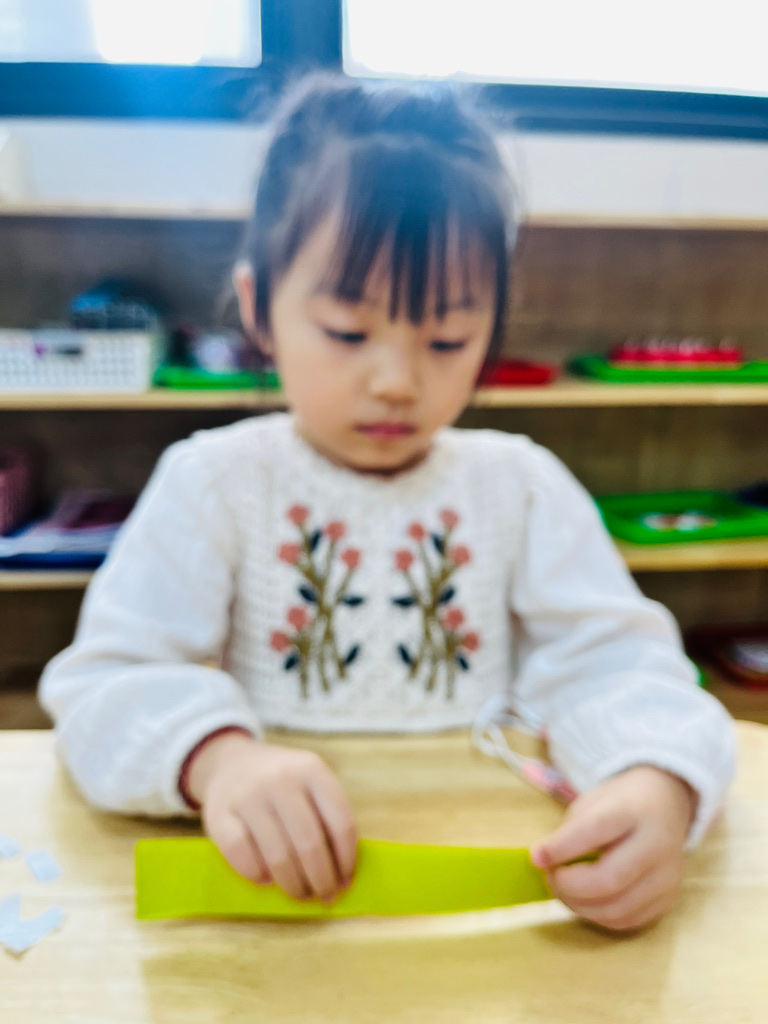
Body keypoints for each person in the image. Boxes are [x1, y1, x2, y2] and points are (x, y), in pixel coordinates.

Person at [40, 74, 735, 932]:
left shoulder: (520, 486)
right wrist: (216, 761)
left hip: (483, 889)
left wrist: (653, 779)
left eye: (447, 338)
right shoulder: (214, 481)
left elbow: (621, 668)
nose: (397, 381)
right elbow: (106, 683)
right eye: (347, 331)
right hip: (280, 894)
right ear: (259, 309)